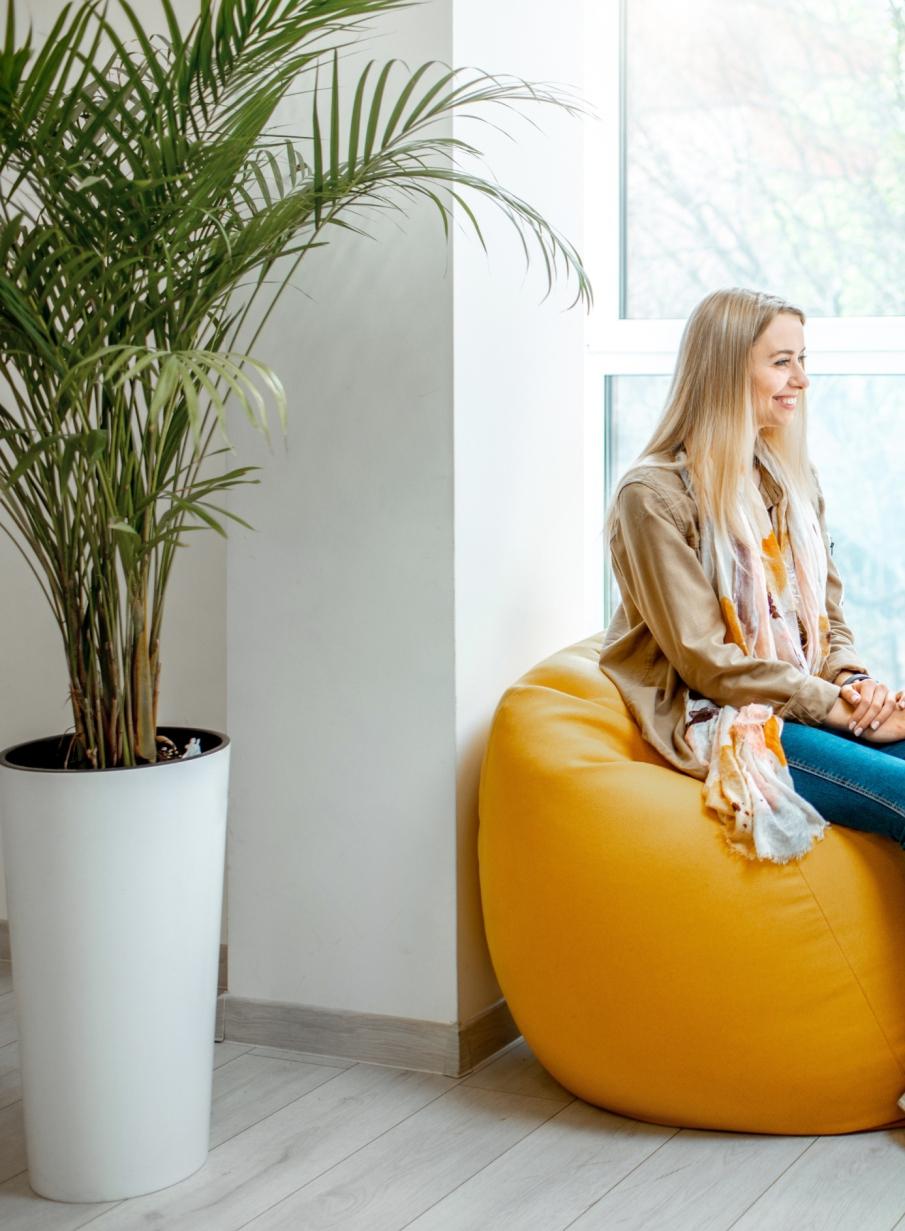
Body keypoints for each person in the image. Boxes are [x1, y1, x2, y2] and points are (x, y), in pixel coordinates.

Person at [600, 286, 905, 865]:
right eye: (782, 362)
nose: (802, 380)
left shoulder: (791, 479)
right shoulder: (653, 496)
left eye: (802, 360)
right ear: (726, 371)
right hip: (724, 714)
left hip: (801, 697)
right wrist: (834, 706)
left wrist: (856, 685)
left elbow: (830, 622)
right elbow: (707, 663)